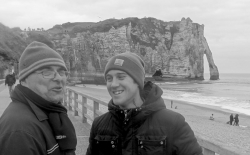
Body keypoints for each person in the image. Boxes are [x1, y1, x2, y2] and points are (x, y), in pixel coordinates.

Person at [86, 52, 203, 155]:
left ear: (137, 81)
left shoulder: (173, 122)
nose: (113, 84)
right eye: (109, 78)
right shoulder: (99, 124)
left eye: (121, 77)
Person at [0, 41, 77, 155]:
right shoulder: (20, 131)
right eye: (46, 72)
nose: (59, 78)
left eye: (61, 72)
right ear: (24, 79)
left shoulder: (48, 111)